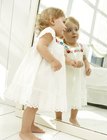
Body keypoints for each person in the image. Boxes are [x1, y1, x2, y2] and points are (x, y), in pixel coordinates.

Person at [4, 7, 67, 140]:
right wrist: (53, 61)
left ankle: (31, 125)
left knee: (35, 103)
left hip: (43, 76)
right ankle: (25, 131)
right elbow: (40, 47)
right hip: (39, 75)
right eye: (63, 21)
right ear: (52, 21)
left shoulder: (53, 35)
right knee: (32, 105)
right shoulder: (49, 32)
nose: (65, 26)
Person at [55, 17, 91, 126]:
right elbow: (64, 58)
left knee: (76, 96)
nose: (74, 32)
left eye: (76, 29)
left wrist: (87, 66)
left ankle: (73, 118)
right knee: (61, 95)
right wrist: (71, 62)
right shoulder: (62, 45)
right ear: (63, 33)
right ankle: (58, 117)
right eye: (69, 30)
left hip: (77, 78)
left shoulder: (81, 46)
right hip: (66, 77)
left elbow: (84, 58)